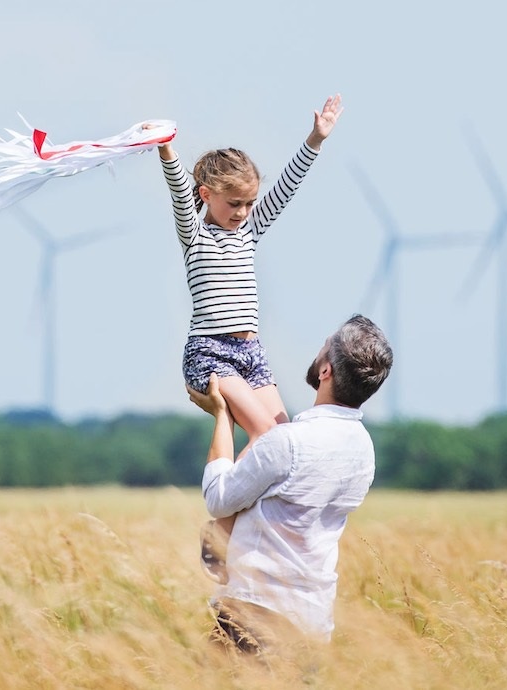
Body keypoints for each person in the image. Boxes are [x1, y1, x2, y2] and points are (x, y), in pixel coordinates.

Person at [157, 94, 345, 580]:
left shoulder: (250, 231)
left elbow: (287, 188)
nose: (243, 212)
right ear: (207, 195)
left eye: (248, 204)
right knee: (263, 434)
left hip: (251, 353)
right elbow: (178, 193)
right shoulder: (195, 236)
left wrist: (316, 139)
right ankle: (219, 530)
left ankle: (243, 521)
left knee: (283, 438)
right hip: (211, 352)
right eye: (233, 203)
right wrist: (166, 152)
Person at [186, 314, 393, 657]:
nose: (319, 350)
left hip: (256, 615)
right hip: (314, 624)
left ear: (326, 371)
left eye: (324, 346)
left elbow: (218, 498)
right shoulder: (364, 450)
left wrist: (221, 415)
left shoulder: (290, 443)